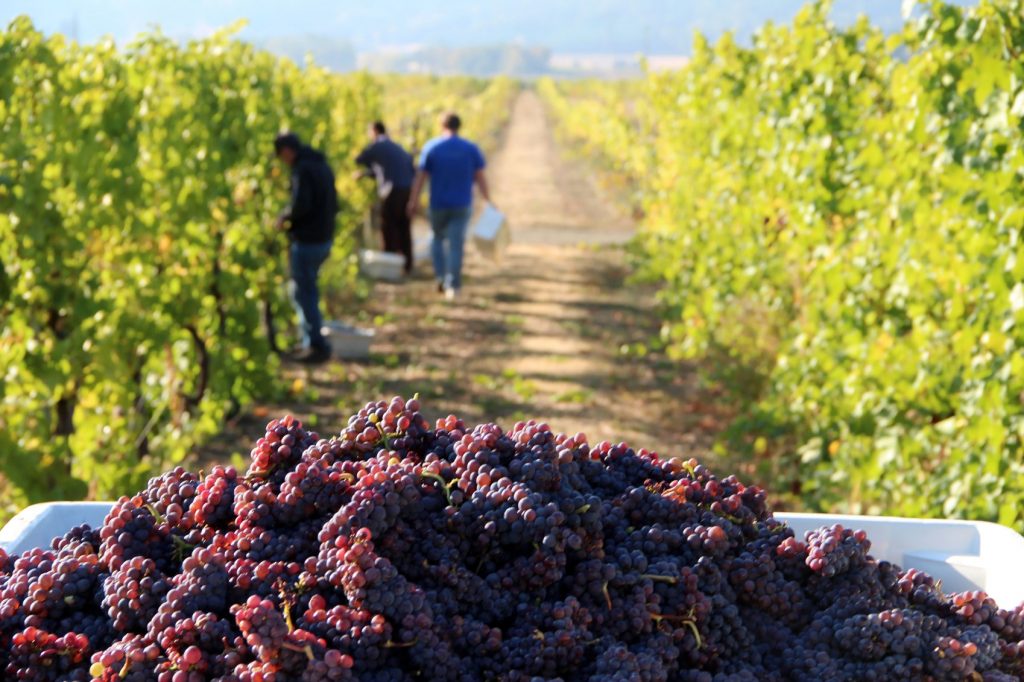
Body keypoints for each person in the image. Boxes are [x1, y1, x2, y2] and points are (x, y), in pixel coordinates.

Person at [407, 112, 493, 300]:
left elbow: (420, 178)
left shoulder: (432, 147)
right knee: (456, 244)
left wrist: (413, 200)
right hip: (462, 204)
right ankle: (453, 285)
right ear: (458, 126)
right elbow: (480, 177)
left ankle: (440, 276)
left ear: (441, 125)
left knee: (437, 239)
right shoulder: (470, 148)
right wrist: (487, 200)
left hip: (437, 203)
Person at [274, 131, 337, 364]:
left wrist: (284, 217)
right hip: (324, 238)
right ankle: (311, 341)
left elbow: (301, 204)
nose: (284, 162)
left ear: (288, 151)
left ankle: (315, 345)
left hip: (308, 240)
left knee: (303, 292)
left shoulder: (303, 169)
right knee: (308, 290)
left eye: (282, 157)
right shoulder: (321, 165)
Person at [355, 122, 415, 275]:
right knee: (403, 226)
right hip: (407, 190)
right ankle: (407, 265)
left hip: (391, 191)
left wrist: (363, 169)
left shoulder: (379, 145)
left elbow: (359, 159)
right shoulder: (397, 147)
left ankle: (389, 265)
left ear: (374, 131)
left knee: (388, 227)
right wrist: (368, 173)